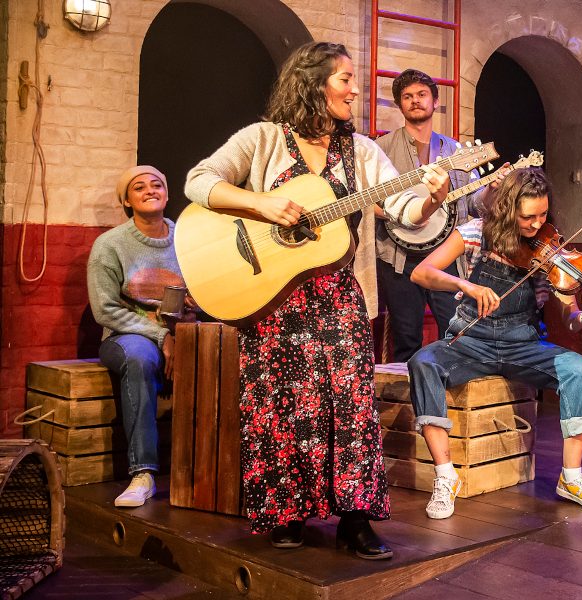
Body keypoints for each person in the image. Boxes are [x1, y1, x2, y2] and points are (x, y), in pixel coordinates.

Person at [184, 42, 452, 558]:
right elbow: (200, 181)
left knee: (351, 409)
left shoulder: (363, 152)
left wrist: (433, 197)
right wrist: (259, 202)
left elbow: (403, 210)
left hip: (338, 298)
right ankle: (289, 515)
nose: (356, 89)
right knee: (282, 411)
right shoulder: (262, 140)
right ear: (313, 84)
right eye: (346, 78)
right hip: (273, 299)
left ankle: (355, 521)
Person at [406, 167, 582, 520]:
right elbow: (422, 272)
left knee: (581, 370)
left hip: (522, 345)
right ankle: (446, 477)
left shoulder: (551, 252)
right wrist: (467, 286)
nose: (536, 226)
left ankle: (573, 478)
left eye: (543, 215)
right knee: (423, 362)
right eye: (527, 217)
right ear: (507, 208)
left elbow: (571, 320)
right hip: (470, 341)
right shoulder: (475, 233)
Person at [375, 68, 501, 362]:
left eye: (421, 95)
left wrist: (491, 190)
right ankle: (408, 405)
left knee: (454, 332)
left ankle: (448, 400)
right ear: (399, 105)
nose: (415, 101)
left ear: (434, 101)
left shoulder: (456, 151)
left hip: (445, 257)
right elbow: (367, 203)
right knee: (406, 338)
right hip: (398, 257)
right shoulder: (381, 149)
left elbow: (472, 204)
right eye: (407, 97)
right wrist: (403, 216)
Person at [88, 165, 191, 508]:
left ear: (167, 194)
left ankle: (215, 470)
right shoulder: (110, 245)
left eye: (156, 184)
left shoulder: (190, 238)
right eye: (139, 187)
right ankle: (143, 472)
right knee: (139, 357)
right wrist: (161, 336)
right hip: (127, 334)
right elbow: (105, 311)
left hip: (185, 331)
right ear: (127, 201)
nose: (149, 190)